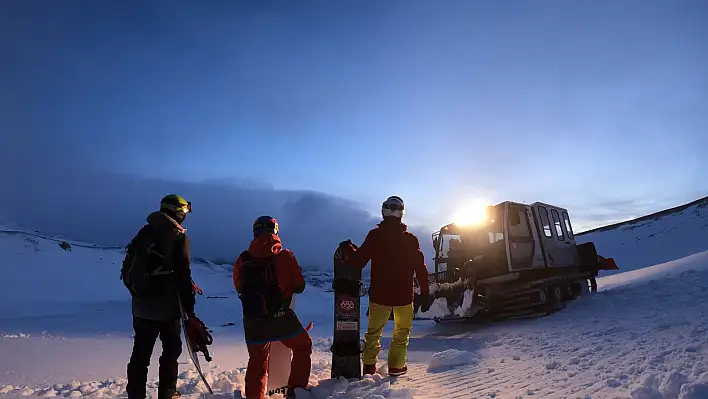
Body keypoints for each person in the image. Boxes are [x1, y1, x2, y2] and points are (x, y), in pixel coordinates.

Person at [341, 195, 431, 377]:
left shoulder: (375, 236)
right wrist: (425, 293)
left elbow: (358, 262)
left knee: (373, 333)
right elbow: (420, 269)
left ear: (383, 211)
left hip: (379, 296)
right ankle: (396, 367)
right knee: (401, 333)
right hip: (404, 297)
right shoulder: (410, 239)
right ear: (401, 214)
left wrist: (348, 249)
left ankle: (369, 367)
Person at [121, 194, 199, 399]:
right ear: (179, 212)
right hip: (168, 307)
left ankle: (135, 394)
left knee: (140, 352)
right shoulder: (177, 236)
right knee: (171, 352)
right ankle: (167, 393)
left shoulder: (145, 232)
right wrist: (189, 310)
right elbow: (183, 274)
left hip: (140, 306)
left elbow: (129, 269)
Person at [232, 216, 312, 399]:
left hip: (253, 320)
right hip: (280, 318)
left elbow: (238, 286)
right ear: (275, 231)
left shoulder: (243, 259)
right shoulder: (285, 256)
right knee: (302, 346)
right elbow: (299, 286)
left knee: (257, 360)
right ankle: (296, 391)